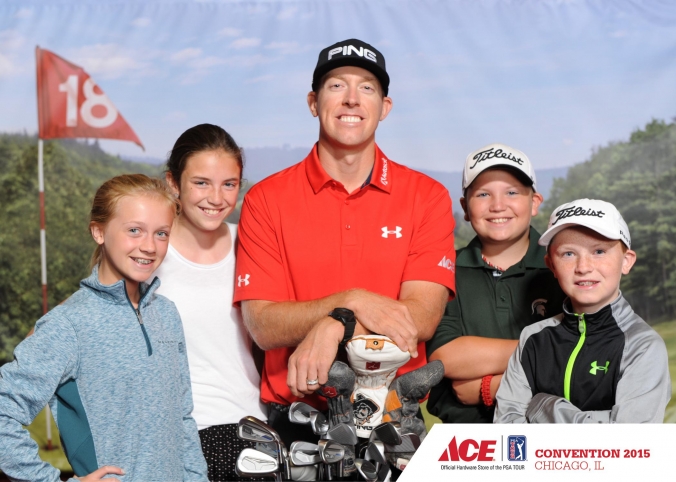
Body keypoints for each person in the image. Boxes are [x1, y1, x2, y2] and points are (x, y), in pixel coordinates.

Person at [234, 38, 456, 444]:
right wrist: (350, 303)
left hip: (395, 419)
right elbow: (263, 324)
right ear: (313, 103)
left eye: (367, 87)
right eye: (337, 85)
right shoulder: (266, 199)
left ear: (384, 107)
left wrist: (334, 325)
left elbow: (420, 319)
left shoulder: (427, 196)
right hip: (297, 422)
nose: (352, 99)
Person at [0, 174, 208, 481]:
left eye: (161, 233)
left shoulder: (166, 314)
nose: (149, 246)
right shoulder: (68, 324)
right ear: (99, 231)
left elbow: (182, 418)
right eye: (134, 230)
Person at [154, 124, 266, 481]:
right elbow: (71, 330)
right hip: (172, 437)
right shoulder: (145, 251)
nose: (216, 198)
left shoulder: (252, 245)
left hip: (250, 428)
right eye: (201, 182)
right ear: (173, 183)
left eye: (229, 184)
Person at [495, 198, 671, 423]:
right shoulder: (533, 338)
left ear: (626, 261)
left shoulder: (642, 345)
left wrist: (545, 406)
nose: (583, 267)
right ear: (552, 266)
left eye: (599, 251)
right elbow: (507, 435)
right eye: (568, 254)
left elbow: (628, 447)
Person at [426, 143, 566, 423]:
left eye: (512, 192)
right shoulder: (443, 271)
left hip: (554, 437)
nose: (498, 205)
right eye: (483, 194)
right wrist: (548, 350)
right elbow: (445, 358)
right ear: (465, 207)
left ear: (534, 202)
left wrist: (491, 387)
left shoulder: (564, 268)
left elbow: (586, 362)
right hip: (467, 444)